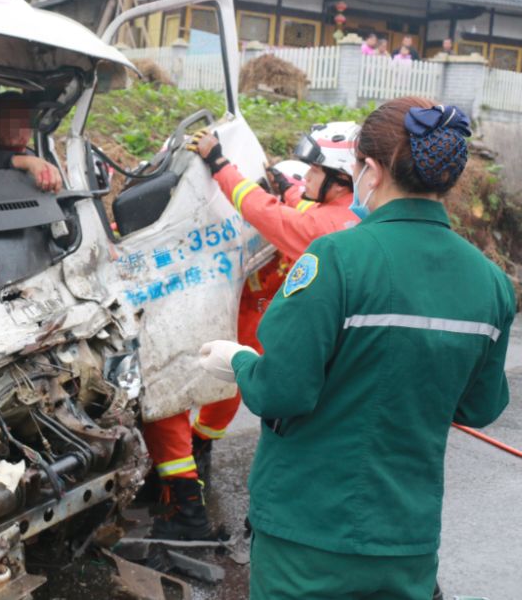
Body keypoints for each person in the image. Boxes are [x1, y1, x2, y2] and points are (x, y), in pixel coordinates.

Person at [199, 97, 514, 599]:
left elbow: (282, 391)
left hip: (307, 535)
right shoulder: (491, 284)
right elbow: (480, 405)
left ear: (371, 169)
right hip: (406, 540)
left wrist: (238, 362)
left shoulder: (336, 258)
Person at [140, 122, 361, 541]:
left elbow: (262, 211)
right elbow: (296, 206)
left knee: (166, 385)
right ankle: (199, 454)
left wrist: (219, 163)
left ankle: (197, 502)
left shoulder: (319, 229)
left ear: (339, 176)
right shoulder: (348, 215)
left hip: (299, 353)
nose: (307, 177)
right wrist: (289, 187)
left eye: (315, 171)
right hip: (304, 343)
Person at [0, 92, 63, 193]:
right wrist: (24, 162)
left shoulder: (36, 158)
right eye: (6, 118)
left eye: (22, 119)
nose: (14, 126)